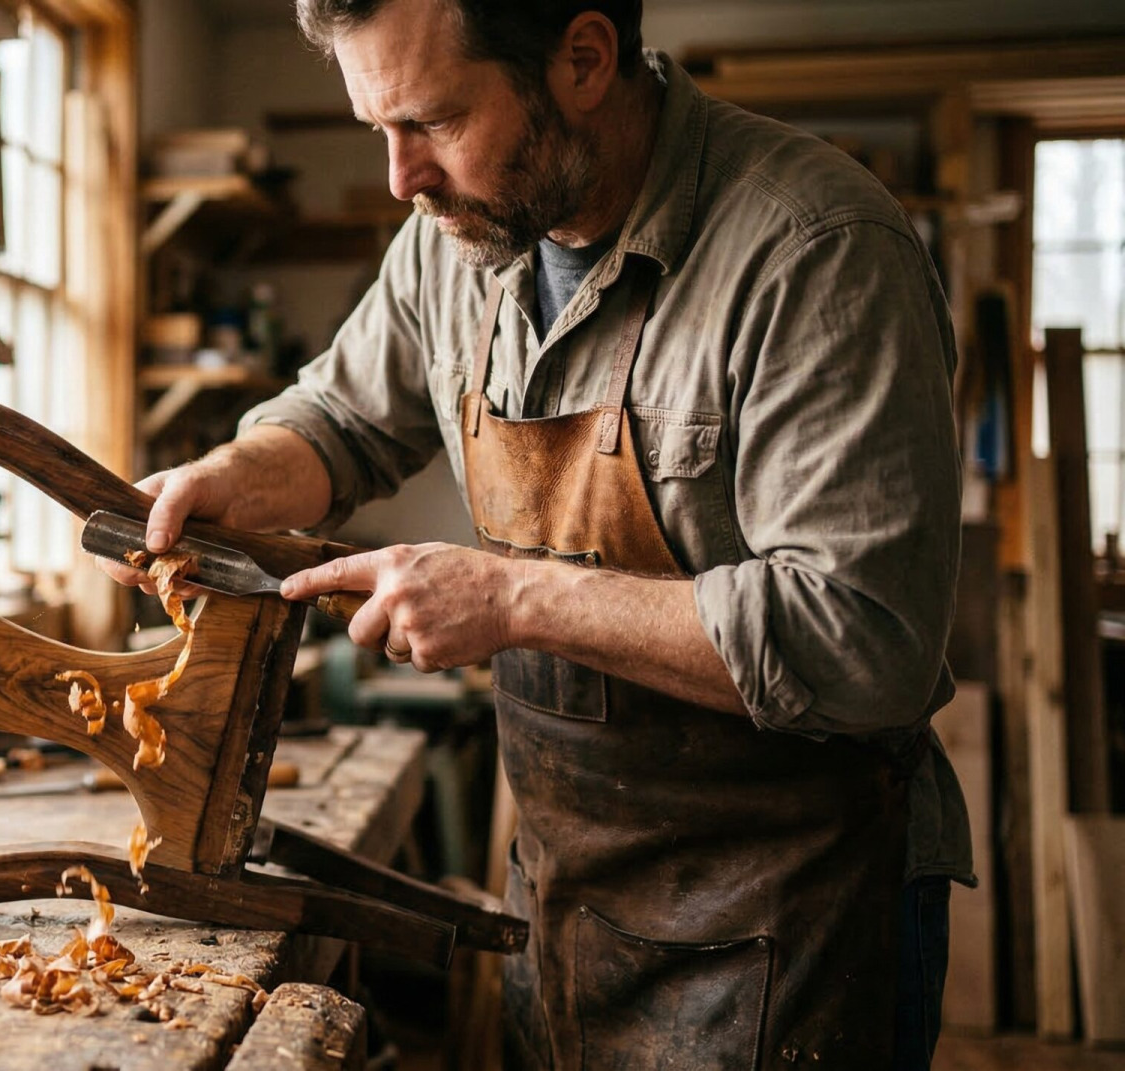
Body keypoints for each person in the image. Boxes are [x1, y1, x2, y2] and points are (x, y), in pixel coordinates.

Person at [101, 1, 972, 1067]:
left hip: (793, 922)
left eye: (432, 122)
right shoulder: (462, 236)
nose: (400, 179)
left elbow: (863, 640)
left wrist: (514, 598)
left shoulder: (815, 249)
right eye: (379, 129)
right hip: (564, 897)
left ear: (585, 60)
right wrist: (233, 477)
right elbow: (340, 419)